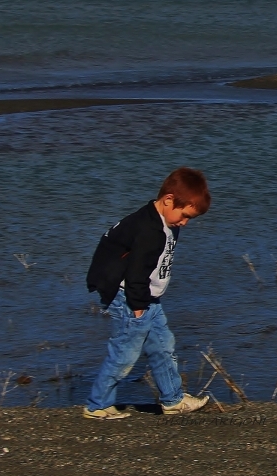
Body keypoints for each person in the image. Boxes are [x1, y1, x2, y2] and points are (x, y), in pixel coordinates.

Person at [83, 167, 211, 420]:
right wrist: (138, 306)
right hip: (130, 298)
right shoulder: (149, 230)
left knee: (163, 346)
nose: (185, 223)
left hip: (147, 298)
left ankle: (173, 399)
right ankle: (97, 404)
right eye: (184, 216)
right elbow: (136, 271)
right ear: (168, 200)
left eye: (190, 219)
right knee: (124, 353)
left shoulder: (164, 221)